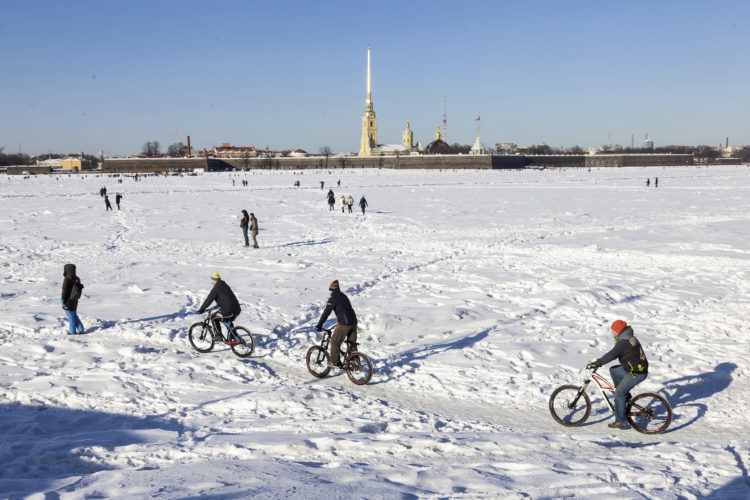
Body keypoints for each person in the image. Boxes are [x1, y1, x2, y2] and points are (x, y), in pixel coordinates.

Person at [586, 320, 649, 429]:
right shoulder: (626, 337)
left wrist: (597, 363)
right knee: (614, 370)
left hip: (637, 373)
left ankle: (621, 420)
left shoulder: (624, 342)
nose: (611, 332)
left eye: (613, 330)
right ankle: (622, 396)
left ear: (618, 331)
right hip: (632, 369)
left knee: (619, 393)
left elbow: (612, 354)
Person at [316, 280, 358, 368]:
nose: (329, 292)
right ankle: (356, 365)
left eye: (329, 290)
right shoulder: (343, 296)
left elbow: (326, 313)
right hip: (353, 322)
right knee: (352, 345)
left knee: (334, 342)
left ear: (332, 290)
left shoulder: (333, 298)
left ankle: (334, 362)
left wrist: (320, 324)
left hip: (344, 324)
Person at [198, 272, 242, 340]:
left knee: (213, 317)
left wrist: (202, 309)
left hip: (228, 310)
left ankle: (218, 335)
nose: (211, 283)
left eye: (212, 281)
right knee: (227, 321)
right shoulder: (224, 285)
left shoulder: (216, 288)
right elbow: (225, 298)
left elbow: (209, 300)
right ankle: (234, 337)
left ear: (215, 281)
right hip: (237, 309)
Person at [61, 263, 85, 335]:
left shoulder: (67, 279)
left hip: (68, 301)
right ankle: (81, 329)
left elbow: (64, 291)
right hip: (75, 300)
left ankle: (72, 332)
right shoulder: (77, 278)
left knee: (71, 317)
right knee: (74, 315)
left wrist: (62, 301)